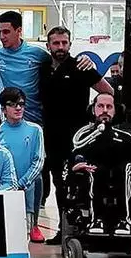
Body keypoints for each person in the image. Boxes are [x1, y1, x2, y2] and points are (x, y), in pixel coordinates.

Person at [39, 26, 113, 245]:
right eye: (56, 43)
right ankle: (64, 230)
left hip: (77, 139)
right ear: (48, 46)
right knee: (59, 184)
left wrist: (96, 115)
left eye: (64, 43)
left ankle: (90, 227)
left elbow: (108, 92)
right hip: (51, 137)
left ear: (70, 44)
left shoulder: (81, 66)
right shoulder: (42, 68)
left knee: (80, 182)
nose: (60, 47)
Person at [68, 93, 131, 235]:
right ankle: (95, 219)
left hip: (122, 178)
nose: (105, 110)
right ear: (93, 109)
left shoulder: (125, 137)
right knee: (93, 169)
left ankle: (125, 220)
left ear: (115, 111)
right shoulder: (83, 137)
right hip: (93, 177)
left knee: (127, 168)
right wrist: (77, 165)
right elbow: (74, 156)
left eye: (109, 107)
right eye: (100, 106)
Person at [0, 87, 46, 243]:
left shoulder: (35, 130)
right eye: (12, 104)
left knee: (37, 180)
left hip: (26, 185)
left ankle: (33, 225)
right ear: (3, 109)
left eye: (21, 104)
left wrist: (23, 183)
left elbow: (39, 160)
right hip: (5, 186)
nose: (18, 108)